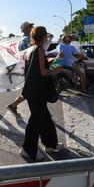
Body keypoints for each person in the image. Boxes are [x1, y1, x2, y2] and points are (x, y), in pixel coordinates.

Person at [20, 26, 63, 161]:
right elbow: (43, 72)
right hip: (37, 92)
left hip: (32, 90)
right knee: (36, 121)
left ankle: (50, 144)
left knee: (45, 119)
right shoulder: (39, 50)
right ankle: (27, 149)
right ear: (44, 37)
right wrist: (55, 70)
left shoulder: (30, 49)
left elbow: (37, 66)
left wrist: (55, 59)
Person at [6, 21, 34, 115]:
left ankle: (13, 105)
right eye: (31, 26)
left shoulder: (22, 40)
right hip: (29, 68)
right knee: (30, 91)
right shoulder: (27, 40)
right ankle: (13, 105)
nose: (33, 27)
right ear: (27, 29)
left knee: (30, 91)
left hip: (25, 68)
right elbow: (30, 55)